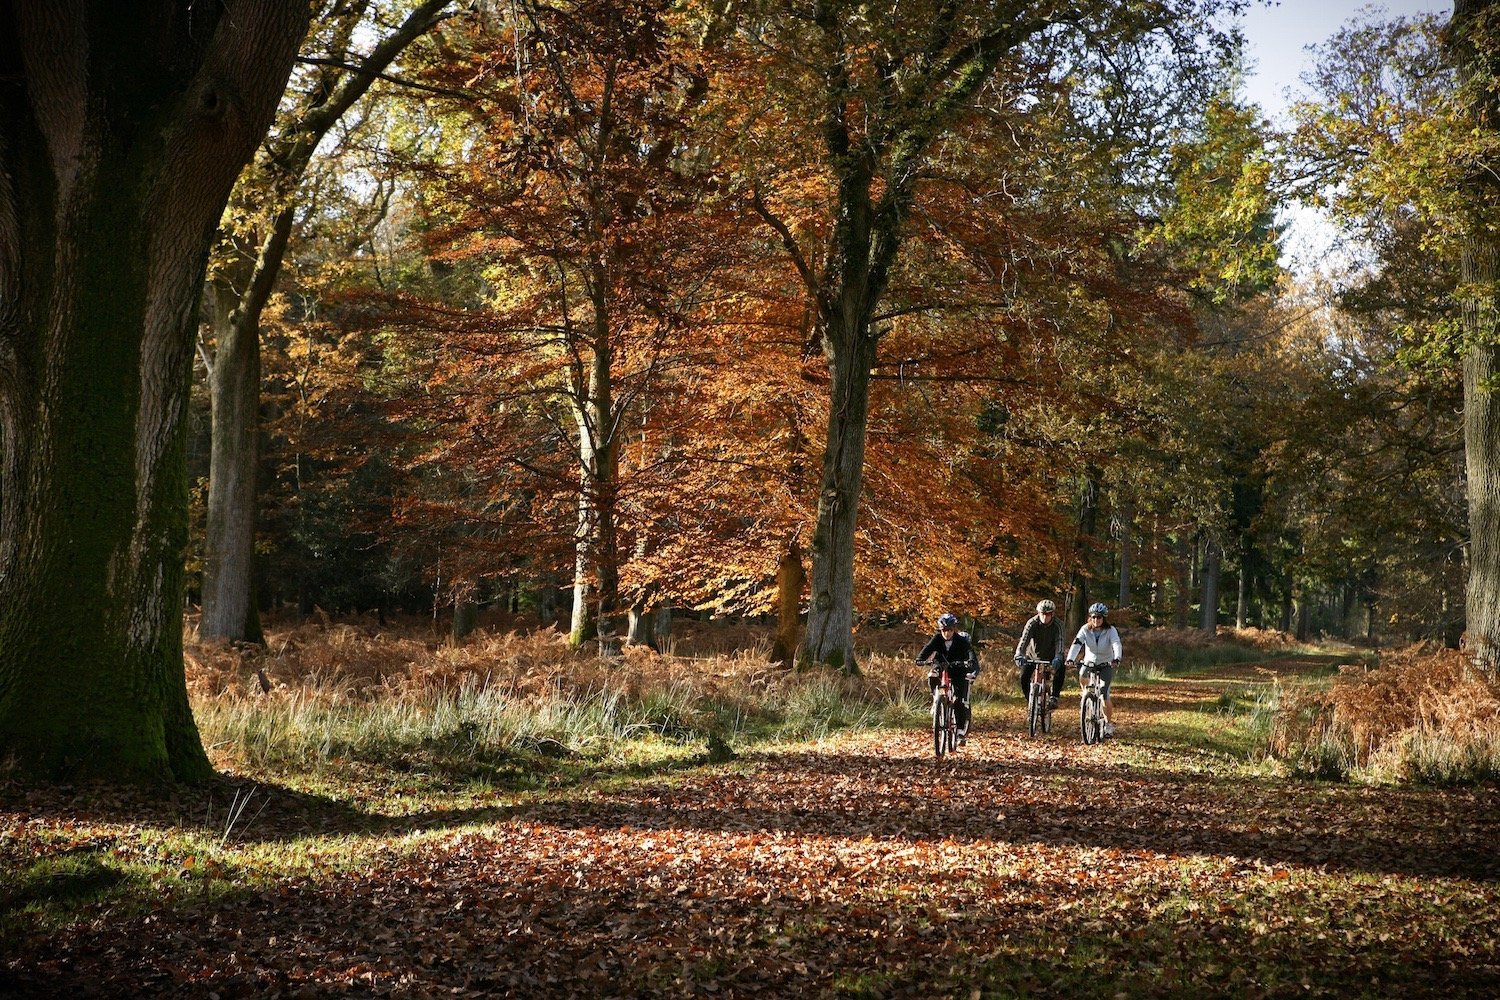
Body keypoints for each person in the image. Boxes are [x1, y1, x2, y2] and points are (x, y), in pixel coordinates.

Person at [917, 612, 980, 745]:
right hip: (940, 667)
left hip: (957, 671)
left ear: (954, 629)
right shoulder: (937, 639)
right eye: (944, 630)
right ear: (940, 630)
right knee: (932, 675)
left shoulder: (961, 641)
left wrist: (969, 662)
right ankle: (936, 699)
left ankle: (960, 732)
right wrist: (921, 659)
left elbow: (970, 654)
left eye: (950, 630)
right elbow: (926, 650)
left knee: (959, 700)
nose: (947, 633)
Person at [1066, 601, 1123, 737]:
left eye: (1099, 617)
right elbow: (1077, 643)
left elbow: (1116, 644)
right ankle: (1086, 697)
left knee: (1104, 693)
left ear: (1104, 618)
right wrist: (1070, 658)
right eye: (1093, 617)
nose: (1096, 620)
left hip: (1105, 664)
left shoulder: (1110, 631)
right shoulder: (1085, 629)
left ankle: (1108, 724)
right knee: (1082, 676)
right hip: (1089, 662)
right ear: (1090, 618)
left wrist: (1116, 658)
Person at [1013, 599, 1066, 709]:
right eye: (1043, 614)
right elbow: (1024, 640)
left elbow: (1060, 641)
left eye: (1048, 614)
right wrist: (1019, 653)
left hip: (1052, 656)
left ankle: (1054, 696)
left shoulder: (1058, 625)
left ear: (1052, 614)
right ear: (1038, 613)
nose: (1045, 617)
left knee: (1061, 668)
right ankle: (1030, 701)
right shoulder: (1032, 623)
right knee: (1023, 676)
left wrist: (1058, 657)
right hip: (1032, 655)